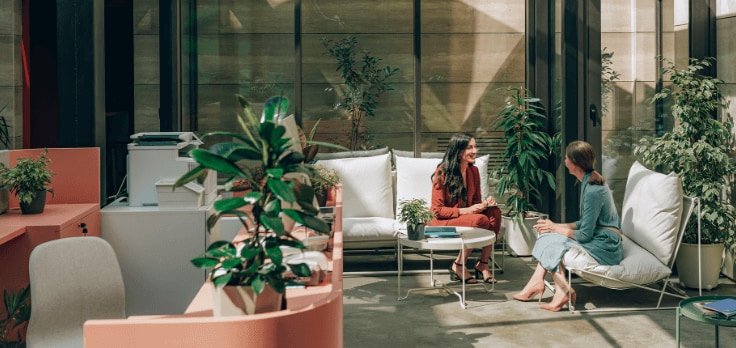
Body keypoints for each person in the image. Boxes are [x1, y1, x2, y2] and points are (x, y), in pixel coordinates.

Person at [512, 140, 624, 311]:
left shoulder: (593, 190)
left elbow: (585, 234)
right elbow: (584, 223)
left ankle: (554, 288)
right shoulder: (588, 182)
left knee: (551, 239)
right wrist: (555, 225)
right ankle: (542, 283)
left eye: (566, 157)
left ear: (574, 163)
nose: (564, 160)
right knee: (547, 235)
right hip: (600, 236)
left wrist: (555, 229)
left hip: (607, 245)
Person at [429, 132, 502, 284]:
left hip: (465, 218)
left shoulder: (473, 171)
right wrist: (468, 211)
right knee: (480, 220)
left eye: (475, 147)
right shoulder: (442, 172)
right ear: (458, 150)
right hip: (441, 221)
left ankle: (483, 264)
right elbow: (437, 210)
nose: (475, 151)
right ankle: (459, 265)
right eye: (470, 147)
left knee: (494, 212)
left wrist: (485, 204)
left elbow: (475, 202)